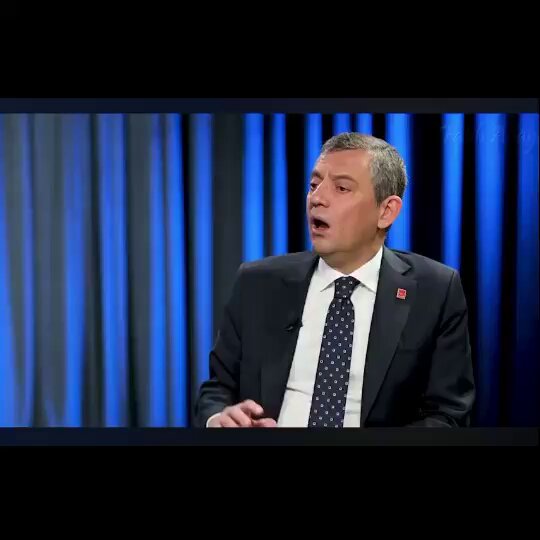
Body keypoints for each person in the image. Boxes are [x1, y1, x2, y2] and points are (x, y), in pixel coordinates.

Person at [195, 132, 475, 428]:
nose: (317, 198)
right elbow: (217, 390)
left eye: (341, 188)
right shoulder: (257, 283)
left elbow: (448, 415)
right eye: (314, 185)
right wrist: (220, 420)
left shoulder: (435, 291)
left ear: (386, 211)